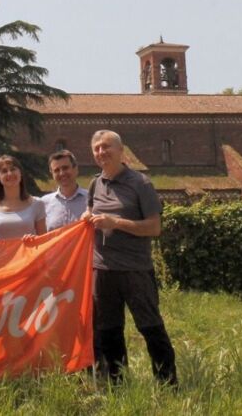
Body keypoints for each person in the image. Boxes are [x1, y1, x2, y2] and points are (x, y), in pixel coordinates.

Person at [83, 130, 178, 385]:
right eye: (97, 149)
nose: (102, 152)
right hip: (102, 270)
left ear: (121, 150)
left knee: (150, 327)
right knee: (109, 331)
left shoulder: (140, 183)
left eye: (107, 147)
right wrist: (87, 216)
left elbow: (154, 228)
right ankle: (118, 385)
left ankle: (167, 384)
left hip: (135, 269)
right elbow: (91, 209)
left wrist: (117, 222)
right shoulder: (95, 183)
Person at [0, 155, 46, 240]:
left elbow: (44, 242)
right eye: (4, 171)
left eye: (13, 169)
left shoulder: (37, 204)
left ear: (20, 173)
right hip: (0, 253)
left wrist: (35, 239)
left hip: (29, 253)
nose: (9, 174)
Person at [41, 149, 88, 231]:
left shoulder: (91, 199)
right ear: (52, 174)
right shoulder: (44, 203)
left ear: (75, 169)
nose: (62, 173)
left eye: (65, 168)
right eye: (56, 170)